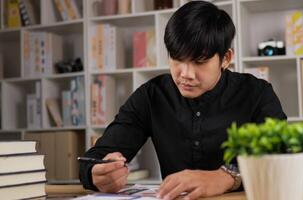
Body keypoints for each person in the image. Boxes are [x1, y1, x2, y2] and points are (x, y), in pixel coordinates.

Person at [79, 1, 287, 200]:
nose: (185, 74)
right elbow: (96, 156)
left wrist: (227, 177)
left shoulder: (256, 93)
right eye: (177, 59)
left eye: (199, 62)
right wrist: (97, 173)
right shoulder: (151, 96)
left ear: (225, 58)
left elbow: (282, 156)